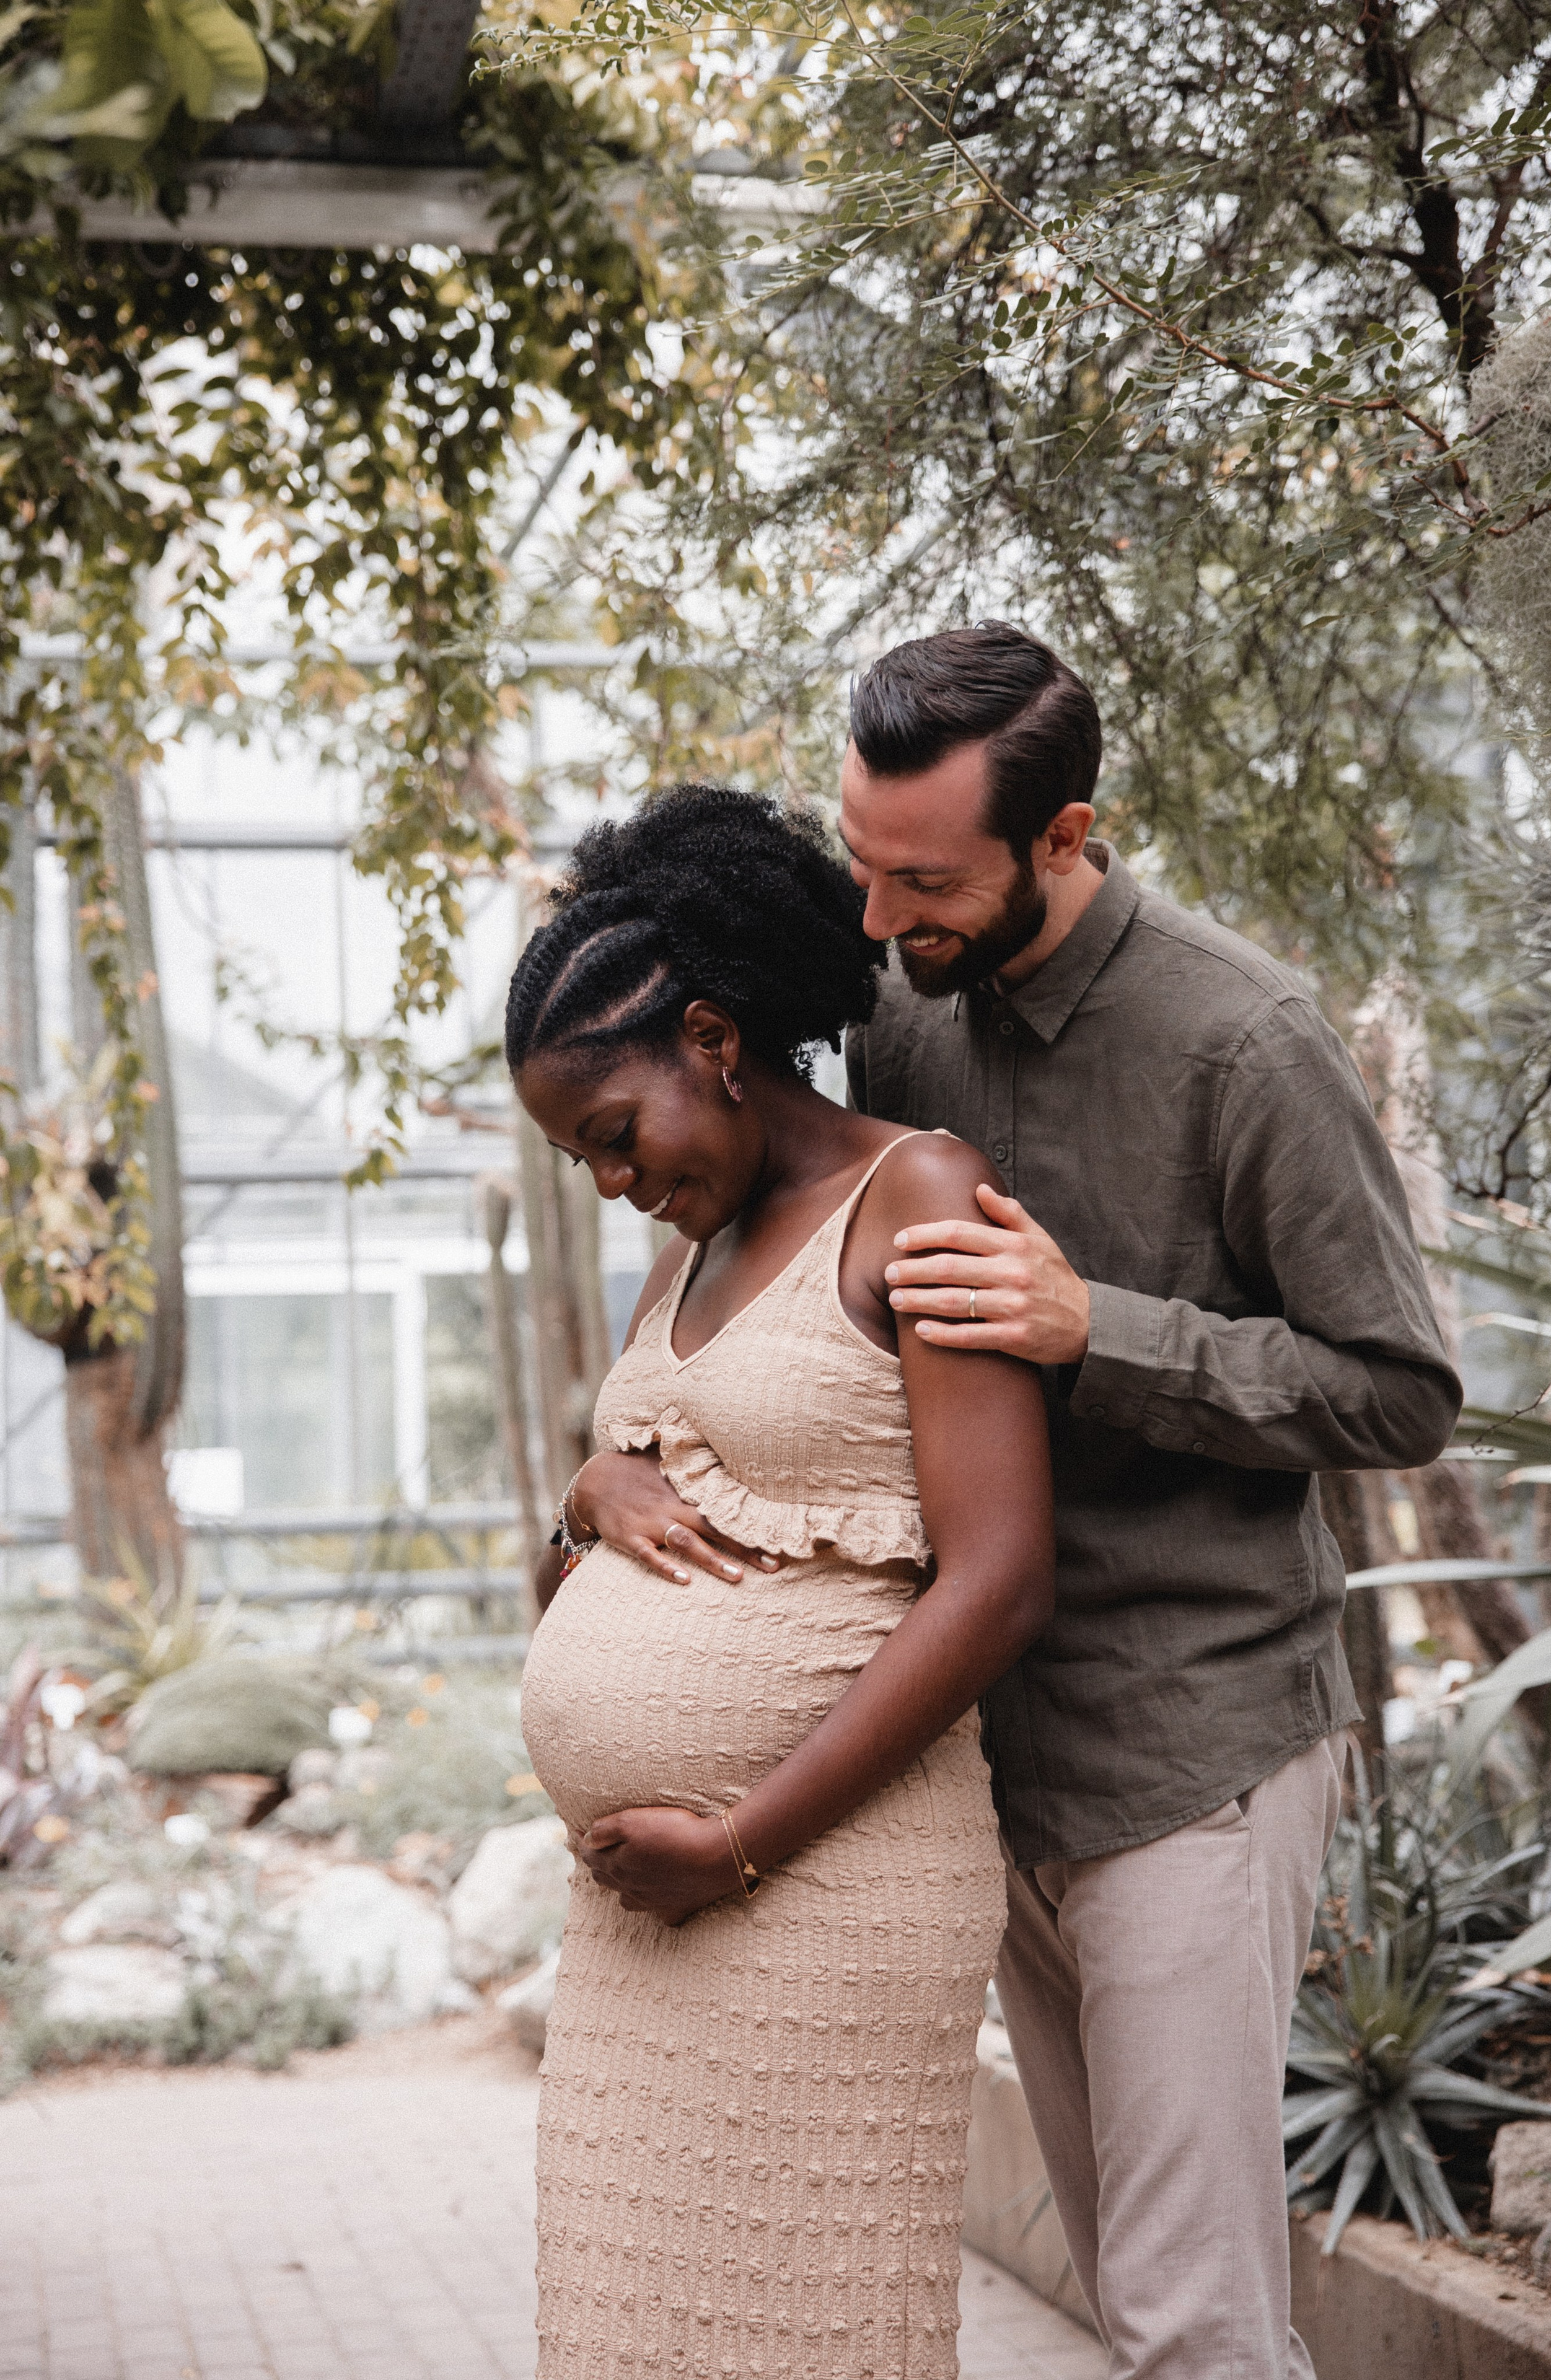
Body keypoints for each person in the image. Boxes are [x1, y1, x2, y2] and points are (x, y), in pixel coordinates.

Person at [579, 627, 1464, 2379]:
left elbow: (1402, 1391)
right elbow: (788, 1295)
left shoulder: (1248, 1041)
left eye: (923, 878)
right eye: (859, 857)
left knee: (1191, 2321)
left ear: (1066, 837)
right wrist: (621, 1459)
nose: (876, 914)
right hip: (988, 1768)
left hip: (1189, 1751)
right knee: (1130, 2301)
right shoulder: (898, 1013)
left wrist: (1103, 1334)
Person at [506, 784, 1057, 2380]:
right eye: (582, 1162)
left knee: (813, 2334)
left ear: (710, 1037)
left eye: (615, 1134)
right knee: (624, 2335)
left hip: (822, 1887)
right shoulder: (681, 1252)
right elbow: (588, 1568)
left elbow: (1000, 1578)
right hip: (640, 1919)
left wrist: (738, 1841)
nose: (614, 1183)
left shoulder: (917, 1198)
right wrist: (582, 1499)